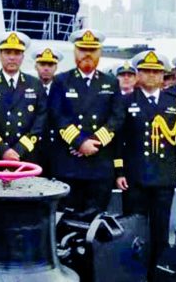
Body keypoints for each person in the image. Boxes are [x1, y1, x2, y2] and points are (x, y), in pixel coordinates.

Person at [114, 50, 176, 277]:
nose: (151, 76)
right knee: (134, 229)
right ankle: (134, 273)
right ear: (138, 74)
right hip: (135, 176)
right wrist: (119, 171)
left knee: (160, 229)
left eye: (156, 72)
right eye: (145, 71)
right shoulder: (126, 101)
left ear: (163, 75)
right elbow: (119, 140)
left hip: (163, 177)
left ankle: (158, 272)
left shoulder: (175, 103)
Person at [48, 28, 124, 215]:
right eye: (82, 50)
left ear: (99, 53)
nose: (87, 55)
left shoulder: (111, 82)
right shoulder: (61, 81)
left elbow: (117, 117)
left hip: (99, 164)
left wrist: (94, 142)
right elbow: (57, 116)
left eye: (92, 50)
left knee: (96, 222)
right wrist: (80, 142)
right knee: (67, 220)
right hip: (69, 164)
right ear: (75, 52)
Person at [0, 32, 47, 165]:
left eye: (17, 53)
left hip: (26, 155)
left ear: (23, 57)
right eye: (7, 53)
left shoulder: (35, 84)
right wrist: (2, 149)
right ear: (0, 56)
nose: (12, 57)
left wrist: (19, 149)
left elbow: (41, 119)